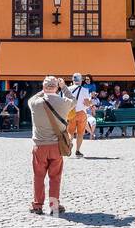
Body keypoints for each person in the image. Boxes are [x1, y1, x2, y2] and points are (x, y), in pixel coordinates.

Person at [28, 75, 73, 215]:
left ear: (43, 87)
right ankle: (54, 206)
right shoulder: (63, 102)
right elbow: (74, 100)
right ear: (56, 87)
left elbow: (30, 99)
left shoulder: (35, 103)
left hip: (39, 146)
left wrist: (43, 91)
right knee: (55, 177)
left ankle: (37, 206)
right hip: (56, 146)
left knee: (38, 176)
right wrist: (64, 87)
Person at [64, 72, 93, 158]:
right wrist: (91, 102)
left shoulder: (68, 89)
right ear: (81, 81)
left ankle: (68, 147)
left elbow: (65, 102)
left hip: (71, 113)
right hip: (81, 113)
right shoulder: (85, 90)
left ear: (73, 80)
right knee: (80, 133)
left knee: (70, 132)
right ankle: (78, 151)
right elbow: (87, 103)